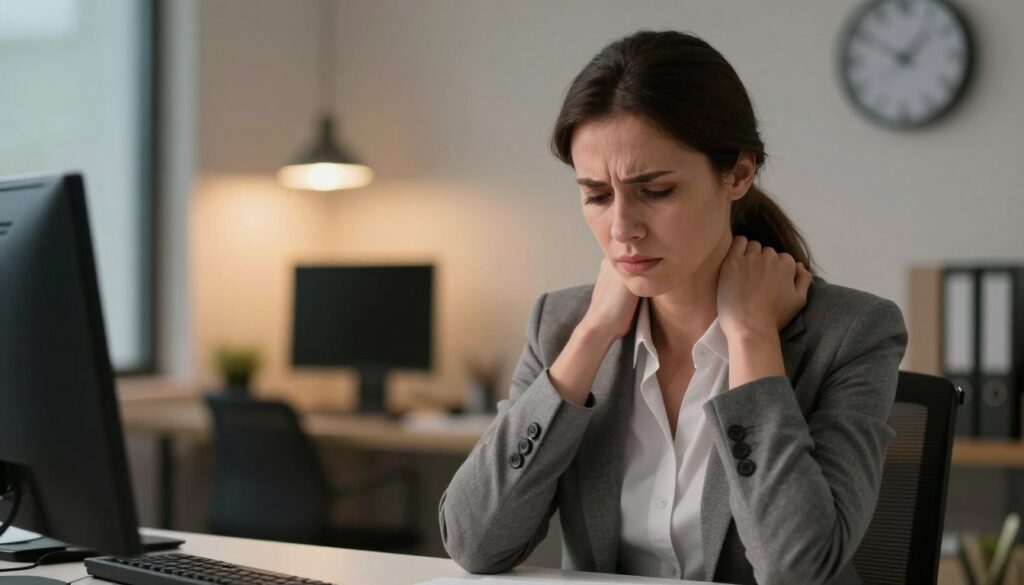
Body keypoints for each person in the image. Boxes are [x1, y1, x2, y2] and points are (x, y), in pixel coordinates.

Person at [438, 30, 906, 585]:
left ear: (737, 175)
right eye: (597, 195)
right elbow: (473, 543)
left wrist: (753, 334)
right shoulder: (559, 324)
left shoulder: (851, 333)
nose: (622, 229)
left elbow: (797, 569)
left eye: (656, 191)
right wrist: (591, 335)